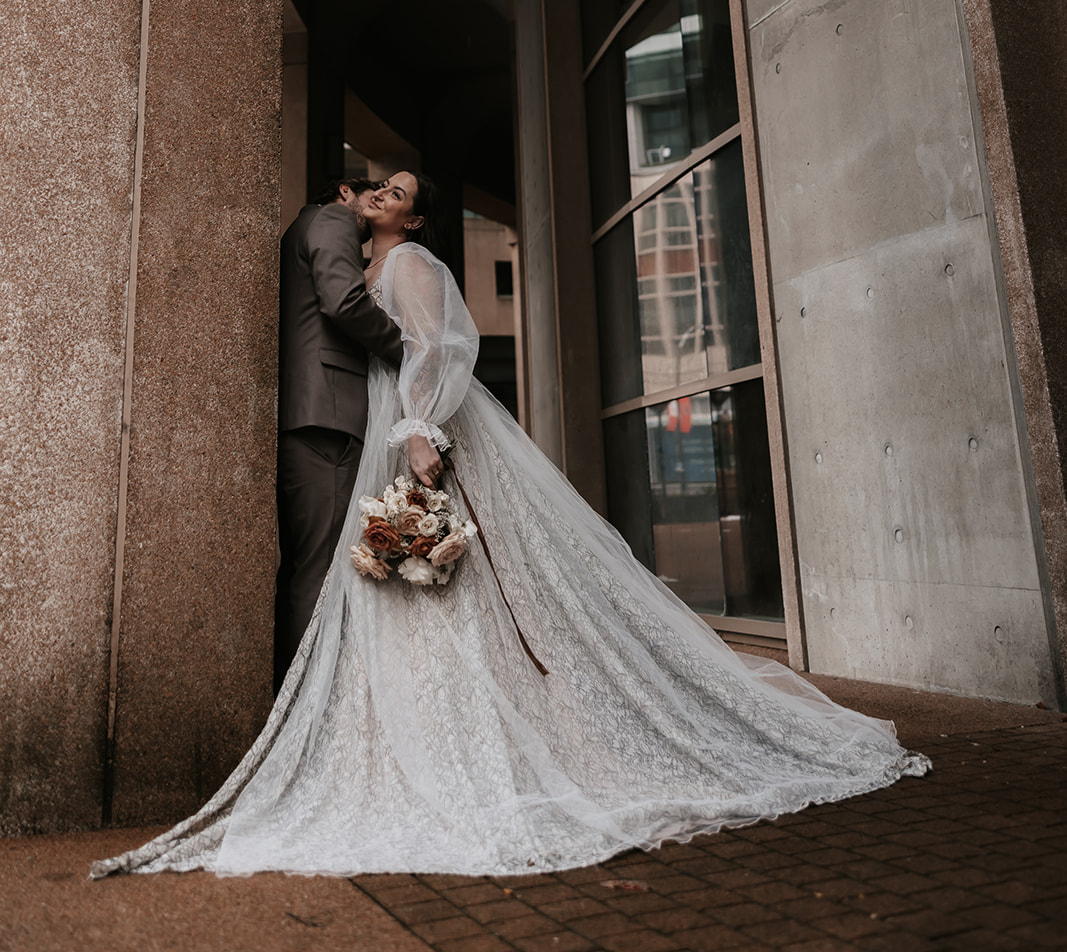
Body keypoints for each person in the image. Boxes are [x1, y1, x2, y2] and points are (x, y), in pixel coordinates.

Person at [93, 170, 929, 880]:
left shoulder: (413, 261)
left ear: (412, 220)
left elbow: (440, 349)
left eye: (400, 193)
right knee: (400, 588)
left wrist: (417, 427)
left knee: (451, 586)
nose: (385, 193)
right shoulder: (348, 245)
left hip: (408, 431)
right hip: (381, 432)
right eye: (380, 184)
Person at [273, 176, 405, 691]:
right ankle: (303, 704)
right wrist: (409, 351)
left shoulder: (298, 229)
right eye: (369, 190)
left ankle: (294, 697)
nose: (375, 199)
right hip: (327, 415)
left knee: (307, 564)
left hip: (311, 414)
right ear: (343, 193)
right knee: (320, 570)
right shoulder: (330, 219)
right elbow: (344, 304)